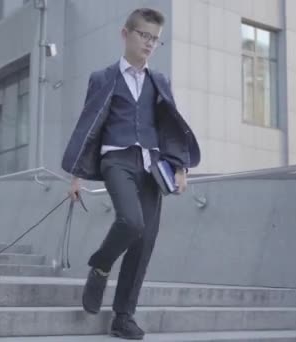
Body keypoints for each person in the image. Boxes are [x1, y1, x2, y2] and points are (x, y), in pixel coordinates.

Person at [61, 7, 200, 340]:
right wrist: (76, 177)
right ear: (126, 34)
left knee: (145, 241)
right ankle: (101, 265)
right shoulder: (103, 78)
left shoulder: (159, 81)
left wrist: (179, 167)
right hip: (116, 160)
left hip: (151, 166)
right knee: (131, 222)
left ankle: (123, 316)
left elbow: (169, 128)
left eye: (155, 39)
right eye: (144, 35)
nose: (150, 43)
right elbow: (89, 125)